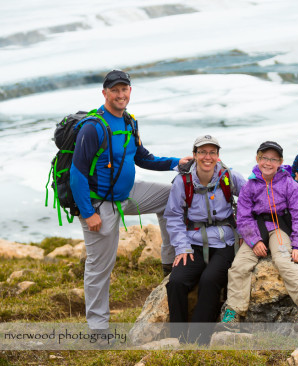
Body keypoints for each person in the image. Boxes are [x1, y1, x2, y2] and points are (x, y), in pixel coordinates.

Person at [70, 70, 190, 333]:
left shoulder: (129, 122)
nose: (121, 94)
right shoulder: (93, 127)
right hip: (100, 204)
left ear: (130, 92)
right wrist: (88, 212)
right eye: (115, 90)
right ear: (105, 94)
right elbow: (76, 173)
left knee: (170, 196)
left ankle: (169, 261)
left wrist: (174, 163)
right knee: (100, 266)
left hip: (126, 194)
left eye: (125, 89)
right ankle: (98, 329)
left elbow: (142, 157)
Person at [221, 141, 298, 331]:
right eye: (264, 158)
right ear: (257, 159)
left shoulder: (289, 184)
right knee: (239, 266)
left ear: (280, 162)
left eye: (273, 159)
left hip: (279, 227)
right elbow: (243, 217)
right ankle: (233, 313)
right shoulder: (250, 185)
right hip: (256, 228)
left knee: (284, 260)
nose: (268, 163)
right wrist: (254, 241)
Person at [164, 135, 246, 343]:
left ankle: (198, 340)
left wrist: (246, 233)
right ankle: (178, 338)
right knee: (176, 282)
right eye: (202, 152)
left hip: (225, 243)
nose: (207, 157)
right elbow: (173, 216)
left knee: (209, 281)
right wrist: (182, 248)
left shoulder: (229, 177)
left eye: (212, 152)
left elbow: (249, 200)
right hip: (194, 244)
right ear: (194, 155)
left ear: (218, 156)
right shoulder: (183, 182)